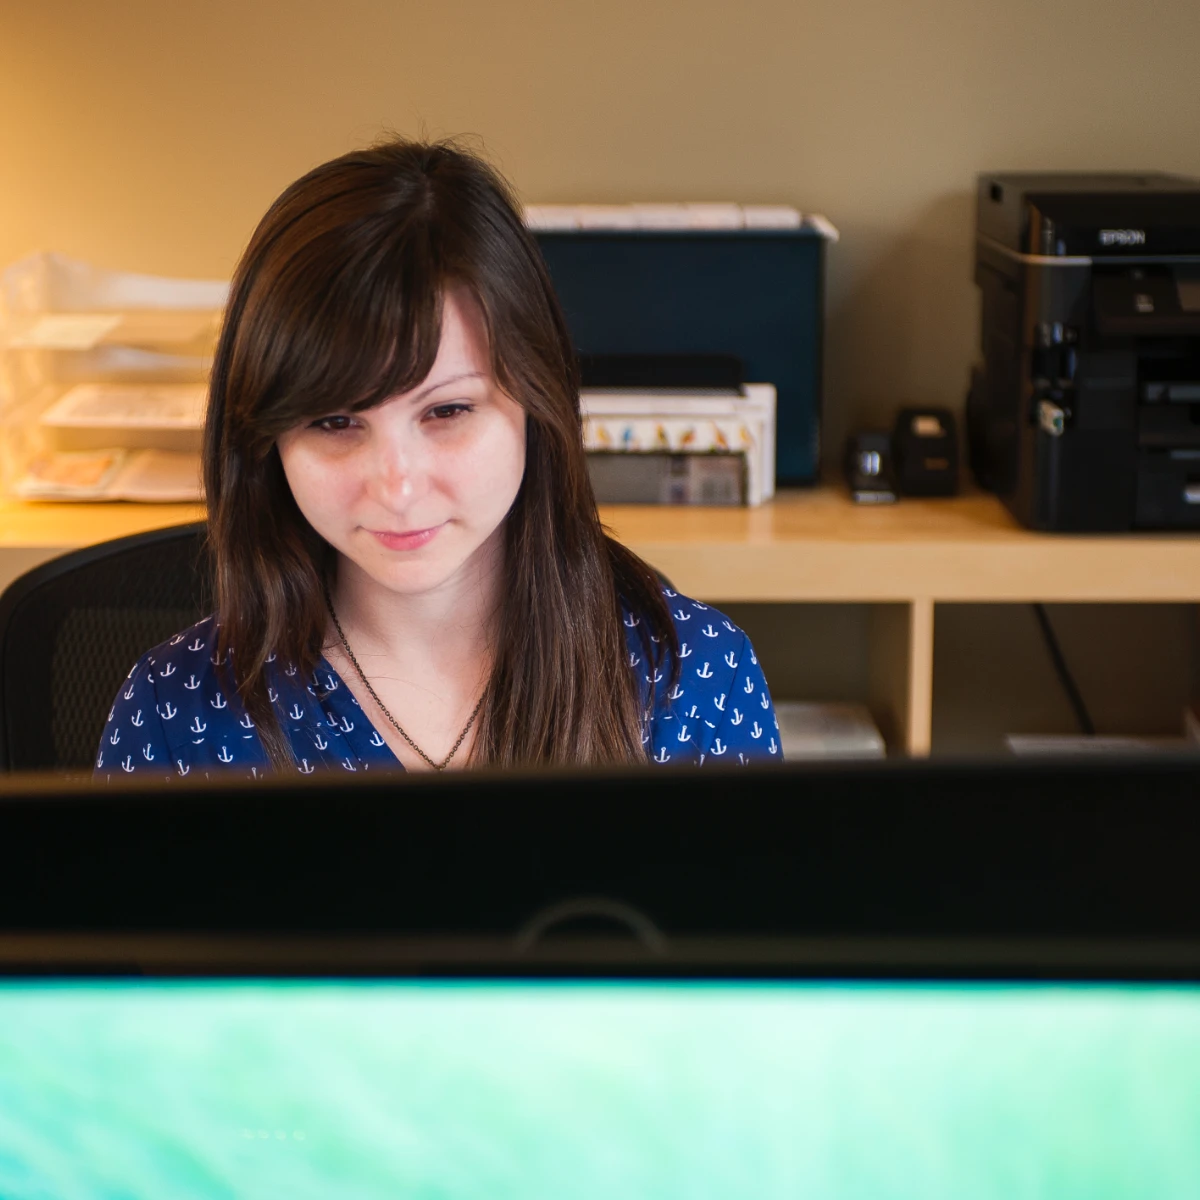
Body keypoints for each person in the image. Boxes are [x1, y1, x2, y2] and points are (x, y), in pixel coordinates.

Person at [95, 139, 779, 781]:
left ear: (535, 403)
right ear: (266, 439)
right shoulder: (173, 718)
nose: (397, 485)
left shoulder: (694, 682)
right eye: (335, 422)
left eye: (446, 412)